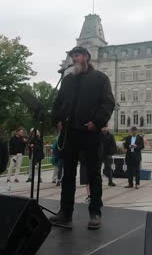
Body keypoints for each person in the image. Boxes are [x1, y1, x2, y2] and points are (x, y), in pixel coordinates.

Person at [48, 46, 115, 230]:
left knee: (93, 174)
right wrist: (58, 121)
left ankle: (95, 213)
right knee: (68, 174)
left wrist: (97, 122)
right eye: (71, 56)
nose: (73, 58)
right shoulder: (68, 80)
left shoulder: (100, 78)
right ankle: (65, 213)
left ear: (86, 57)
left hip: (89, 133)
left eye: (76, 55)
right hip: (70, 133)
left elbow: (108, 102)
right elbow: (58, 102)